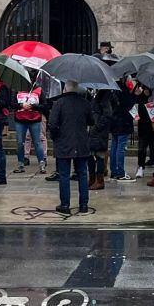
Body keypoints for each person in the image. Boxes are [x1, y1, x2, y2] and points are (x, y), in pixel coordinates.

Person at [49, 81, 93, 215]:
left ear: (65, 89)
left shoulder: (59, 103)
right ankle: (84, 204)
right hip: (81, 142)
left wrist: (55, 137)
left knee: (64, 175)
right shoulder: (85, 103)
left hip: (64, 142)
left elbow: (52, 123)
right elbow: (92, 121)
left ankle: (65, 204)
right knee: (82, 174)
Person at [11, 85, 46, 174]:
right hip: (20, 119)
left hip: (35, 119)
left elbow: (45, 105)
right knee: (20, 142)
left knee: (37, 142)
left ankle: (42, 164)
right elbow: (12, 104)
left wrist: (33, 106)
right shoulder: (17, 89)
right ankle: (20, 164)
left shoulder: (39, 90)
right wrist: (21, 105)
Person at [87, 89, 114, 190]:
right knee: (90, 154)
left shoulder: (105, 95)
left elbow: (107, 114)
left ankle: (99, 180)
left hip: (99, 131)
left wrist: (97, 126)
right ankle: (92, 177)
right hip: (94, 130)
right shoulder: (96, 94)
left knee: (99, 156)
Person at [109, 80, 135, 182]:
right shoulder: (122, 89)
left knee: (115, 146)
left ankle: (114, 171)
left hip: (115, 121)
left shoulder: (113, 89)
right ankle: (120, 172)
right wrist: (134, 95)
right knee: (120, 147)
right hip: (123, 122)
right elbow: (128, 105)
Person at [132, 82, 154, 179]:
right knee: (142, 148)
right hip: (143, 126)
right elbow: (134, 107)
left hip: (153, 126)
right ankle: (141, 166)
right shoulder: (140, 97)